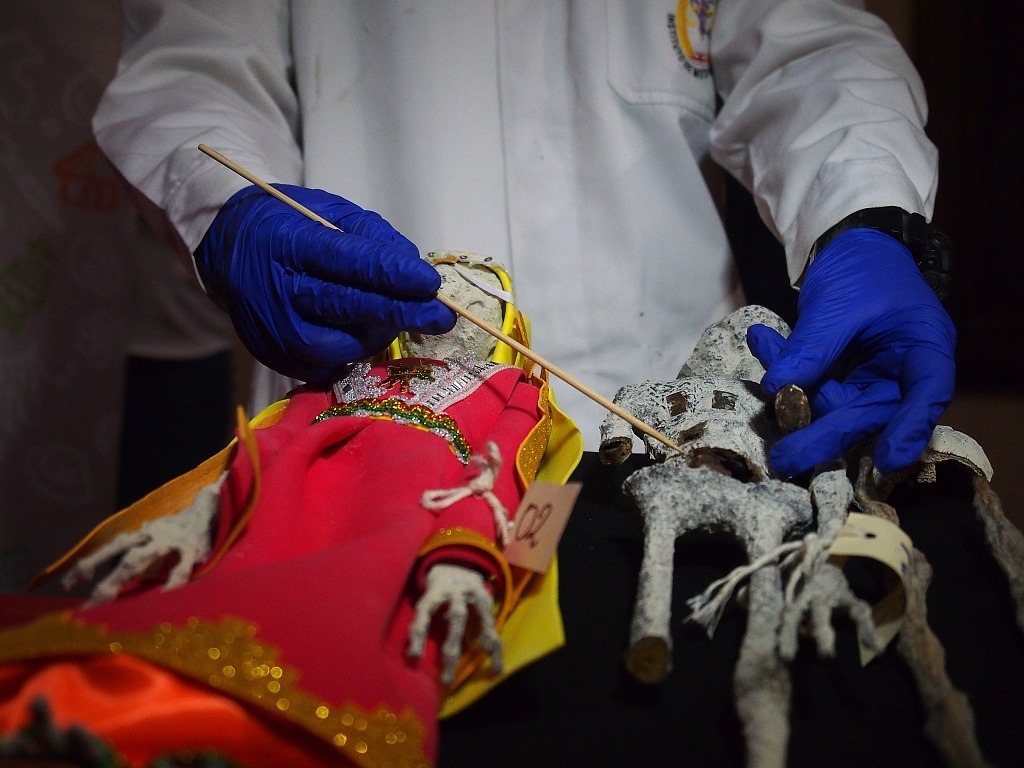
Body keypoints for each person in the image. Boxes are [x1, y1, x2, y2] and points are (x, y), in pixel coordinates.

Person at [91, 0, 955, 476]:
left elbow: (812, 47)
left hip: (669, 416)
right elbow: (192, 69)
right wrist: (230, 206)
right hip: (367, 418)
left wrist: (867, 215)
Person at [0, 255, 582, 767]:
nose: (454, 298)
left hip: (405, 527)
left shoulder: (517, 391)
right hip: (287, 498)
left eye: (477, 296)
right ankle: (112, 715)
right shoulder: (350, 373)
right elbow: (273, 437)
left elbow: (514, 478)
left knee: (356, 638)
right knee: (208, 603)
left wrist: (467, 559)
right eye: (440, 284)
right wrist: (205, 508)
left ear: (504, 323)